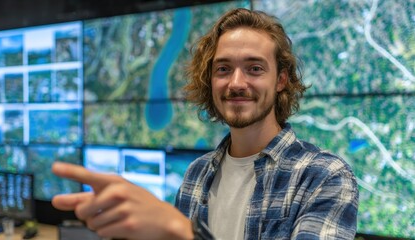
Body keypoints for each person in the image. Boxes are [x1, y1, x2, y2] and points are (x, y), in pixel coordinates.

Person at [52, 8, 359, 240]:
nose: (236, 83)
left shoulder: (323, 177)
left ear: (280, 80)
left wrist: (181, 230)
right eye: (223, 69)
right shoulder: (197, 174)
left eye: (254, 68)